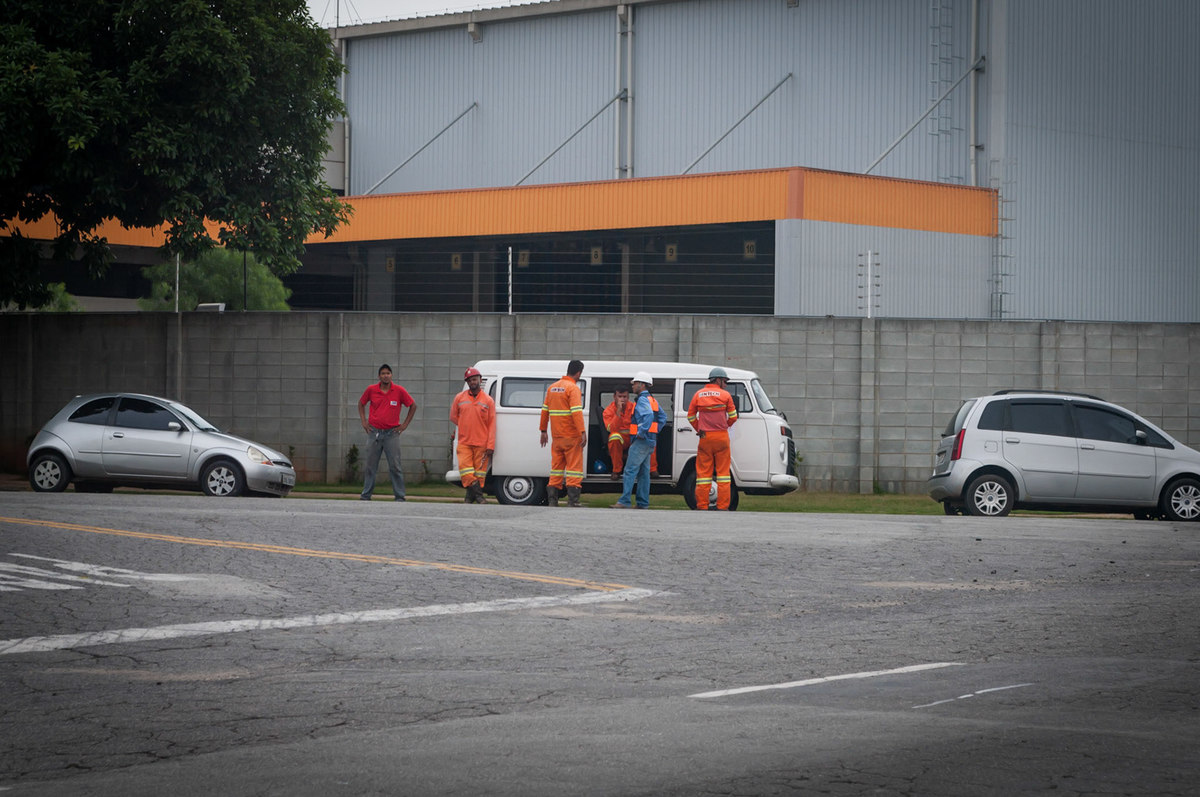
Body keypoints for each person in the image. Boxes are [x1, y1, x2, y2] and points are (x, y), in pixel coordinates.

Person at [357, 364, 417, 501]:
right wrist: (364, 421)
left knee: (395, 466)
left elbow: (413, 405)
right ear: (379, 376)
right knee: (370, 466)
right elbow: (361, 403)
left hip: (392, 434)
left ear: (391, 375)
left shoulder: (399, 391)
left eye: (388, 373)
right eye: (383, 373)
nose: (386, 375)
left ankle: (400, 496)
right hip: (374, 432)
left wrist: (405, 425)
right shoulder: (371, 390)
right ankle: (366, 495)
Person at [611, 371, 667, 510]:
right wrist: (654, 431)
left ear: (642, 385)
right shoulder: (652, 400)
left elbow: (648, 415)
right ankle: (642, 503)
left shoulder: (642, 400)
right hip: (649, 441)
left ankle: (624, 501)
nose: (633, 386)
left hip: (641, 441)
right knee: (643, 473)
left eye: (635, 383)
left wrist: (642, 432)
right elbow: (663, 417)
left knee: (630, 470)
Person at [687, 366, 739, 510]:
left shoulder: (698, 394)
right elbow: (734, 417)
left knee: (703, 474)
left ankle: (702, 505)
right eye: (725, 381)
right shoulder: (725, 396)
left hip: (705, 437)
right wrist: (725, 425)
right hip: (721, 436)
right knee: (723, 474)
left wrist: (700, 429)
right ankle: (722, 506)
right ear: (718, 380)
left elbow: (690, 416)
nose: (726, 384)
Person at [539, 360, 587, 507]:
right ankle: (573, 501)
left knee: (556, 469)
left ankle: (553, 501)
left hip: (557, 437)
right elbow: (576, 412)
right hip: (572, 437)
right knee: (574, 470)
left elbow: (545, 410)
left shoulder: (552, 388)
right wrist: (583, 432)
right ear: (578, 373)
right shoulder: (573, 388)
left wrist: (543, 430)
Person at [450, 366, 496, 504]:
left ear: (480, 380)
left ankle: (469, 499)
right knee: (466, 471)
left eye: (474, 379)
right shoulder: (459, 397)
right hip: (464, 443)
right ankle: (480, 498)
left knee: (479, 475)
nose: (472, 382)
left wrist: (490, 445)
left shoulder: (488, 401)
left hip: (482, 443)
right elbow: (453, 417)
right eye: (469, 380)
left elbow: (492, 424)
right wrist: (466, 426)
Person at [603, 387, 658, 480]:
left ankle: (652, 470)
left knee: (649, 438)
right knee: (614, 437)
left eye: (625, 396)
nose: (622, 399)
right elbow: (612, 428)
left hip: (634, 437)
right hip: (621, 440)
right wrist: (618, 412)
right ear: (614, 397)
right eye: (620, 396)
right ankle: (616, 471)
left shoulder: (634, 407)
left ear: (628, 397)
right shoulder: (608, 410)